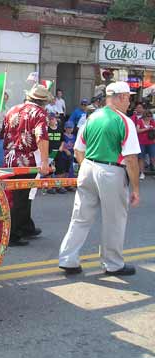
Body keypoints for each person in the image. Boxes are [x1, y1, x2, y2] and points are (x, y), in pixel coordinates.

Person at [59, 81, 140, 276]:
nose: (129, 101)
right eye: (128, 97)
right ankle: (112, 264)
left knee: (80, 217)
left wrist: (88, 166)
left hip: (88, 167)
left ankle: (68, 259)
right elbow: (130, 159)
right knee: (114, 220)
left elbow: (79, 149)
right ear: (120, 97)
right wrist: (136, 189)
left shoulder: (92, 117)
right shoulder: (124, 121)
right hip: (111, 171)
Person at [3, 84, 50, 246]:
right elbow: (41, 136)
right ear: (43, 102)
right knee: (22, 196)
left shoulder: (12, 110)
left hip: (9, 157)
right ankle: (13, 234)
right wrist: (45, 161)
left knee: (24, 194)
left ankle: (26, 225)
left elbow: (3, 133)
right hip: (27, 159)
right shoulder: (39, 113)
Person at [136, 109, 155, 179]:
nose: (149, 117)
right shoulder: (140, 121)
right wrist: (146, 129)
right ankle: (142, 173)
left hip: (151, 142)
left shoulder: (152, 121)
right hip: (141, 142)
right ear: (144, 116)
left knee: (153, 157)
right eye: (147, 116)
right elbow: (137, 130)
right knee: (141, 158)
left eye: (150, 116)